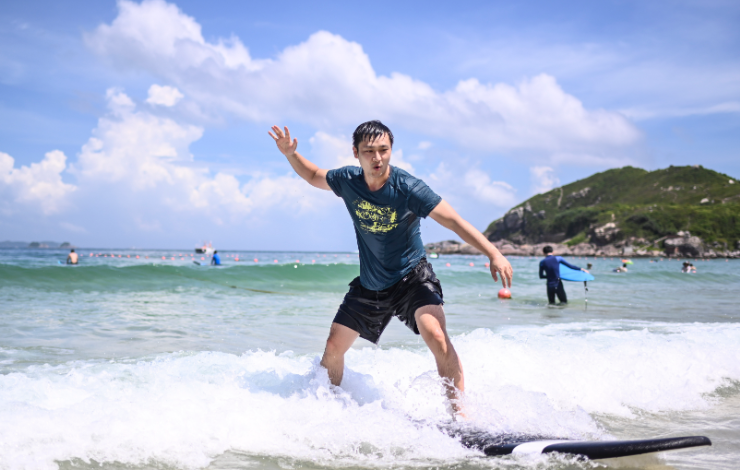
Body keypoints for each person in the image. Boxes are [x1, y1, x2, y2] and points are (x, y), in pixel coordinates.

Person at [269, 121, 513, 412]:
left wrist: (493, 253)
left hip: (412, 277)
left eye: (384, 150)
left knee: (435, 334)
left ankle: (461, 416)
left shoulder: (408, 188)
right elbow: (312, 175)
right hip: (371, 283)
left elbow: (454, 221)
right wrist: (290, 154)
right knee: (333, 346)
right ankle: (327, 409)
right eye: (369, 151)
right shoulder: (348, 180)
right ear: (356, 153)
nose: (377, 158)